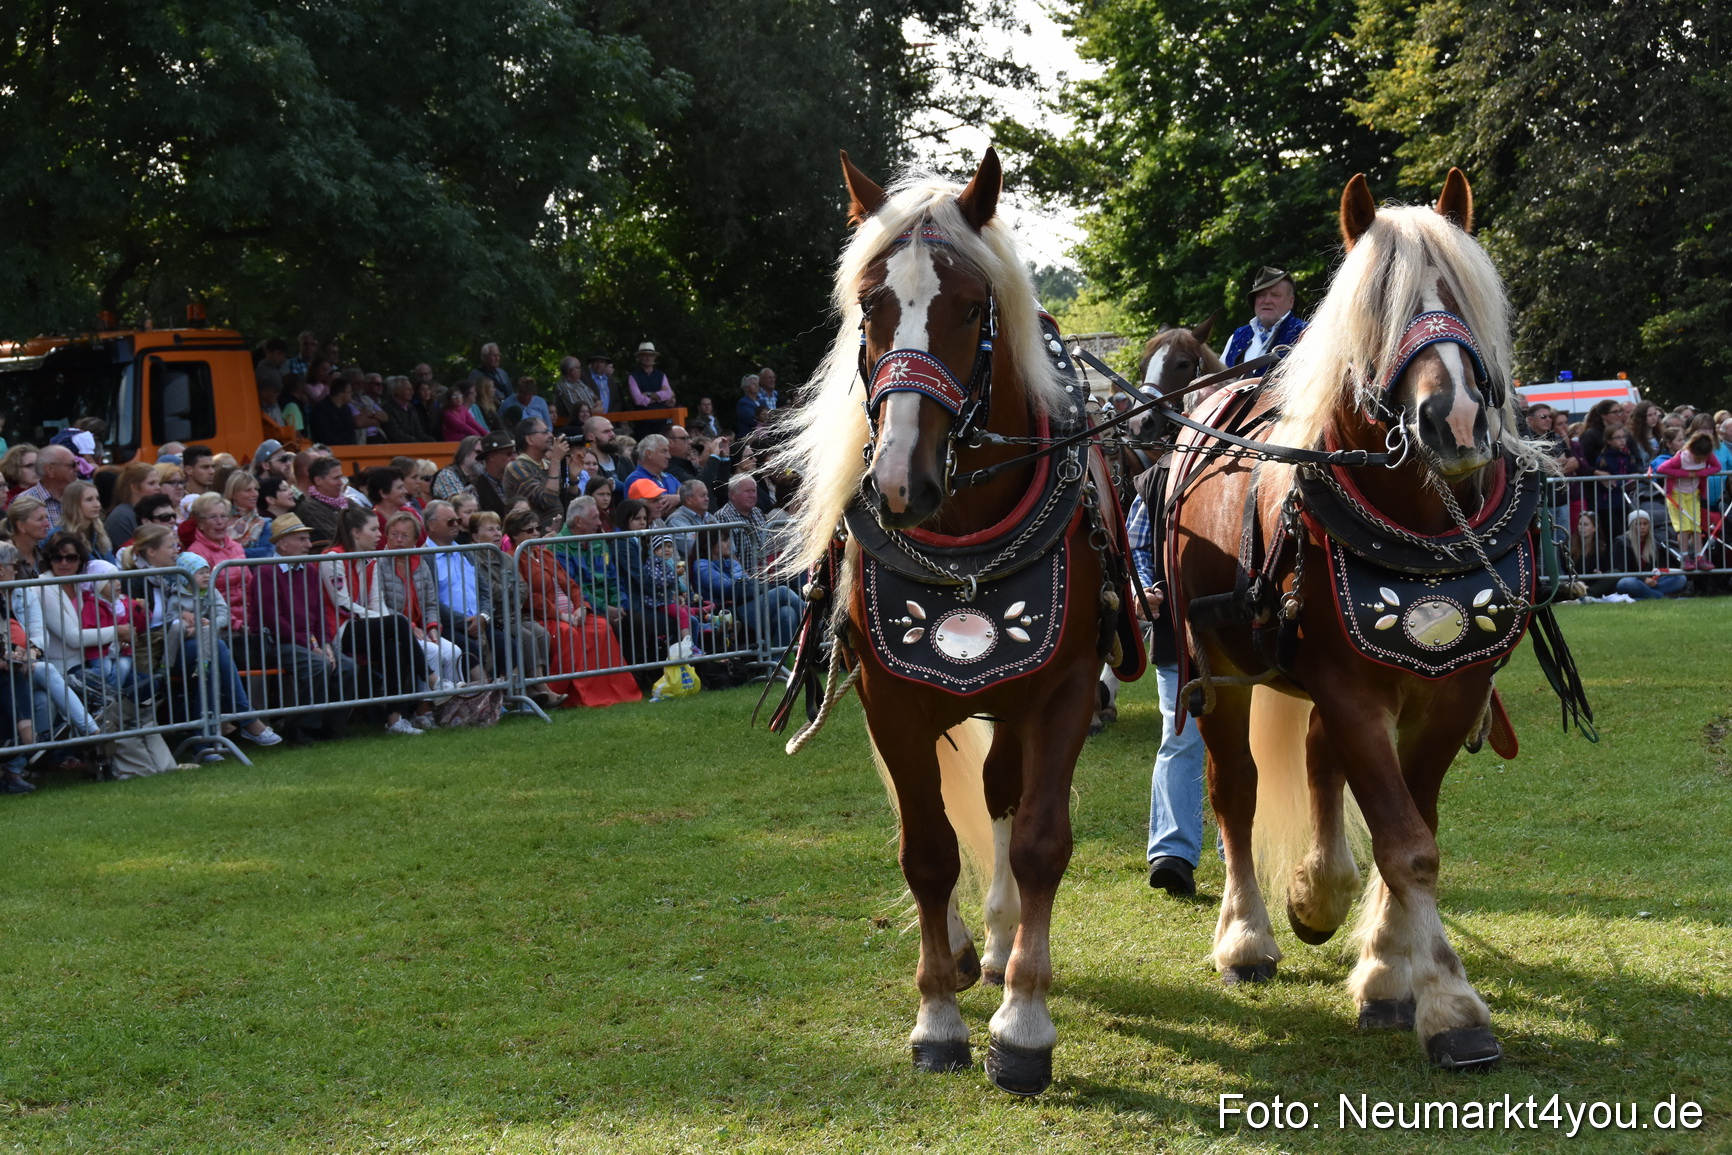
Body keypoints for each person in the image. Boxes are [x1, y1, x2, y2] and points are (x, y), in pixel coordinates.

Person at [124, 527, 282, 750]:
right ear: (151, 552)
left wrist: (195, 623)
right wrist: (178, 620)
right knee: (212, 648)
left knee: (207, 662)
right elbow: (139, 624)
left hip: (185, 642)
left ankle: (205, 743)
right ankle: (246, 719)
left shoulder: (174, 575)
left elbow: (217, 611)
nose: (176, 551)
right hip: (155, 651)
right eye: (170, 546)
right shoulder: (135, 580)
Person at [508, 507, 641, 707]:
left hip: (571, 611)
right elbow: (529, 598)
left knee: (602, 627)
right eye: (529, 531)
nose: (535, 534)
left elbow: (572, 585)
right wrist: (561, 615)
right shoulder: (514, 559)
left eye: (537, 528)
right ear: (515, 535)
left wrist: (581, 607)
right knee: (568, 633)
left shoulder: (545, 554)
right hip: (544, 616)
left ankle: (613, 690)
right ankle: (568, 694)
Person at [321, 507, 429, 735]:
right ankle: (431, 677)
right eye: (374, 529)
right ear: (356, 533)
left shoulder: (371, 560)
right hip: (339, 630)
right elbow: (343, 605)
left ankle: (394, 719)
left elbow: (376, 602)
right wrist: (388, 621)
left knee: (394, 645)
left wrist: (385, 619)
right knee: (398, 623)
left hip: (362, 626)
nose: (380, 535)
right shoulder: (332, 558)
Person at [252, 513, 358, 742]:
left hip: (309, 642)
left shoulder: (309, 570)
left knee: (347, 666)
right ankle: (302, 730)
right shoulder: (265, 572)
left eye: (307, 539)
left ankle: (331, 728)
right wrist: (311, 645)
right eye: (301, 539)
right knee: (317, 665)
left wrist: (326, 643)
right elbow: (273, 620)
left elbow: (320, 612)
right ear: (282, 543)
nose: (309, 545)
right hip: (278, 643)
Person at [380, 512, 468, 703]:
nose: (398, 540)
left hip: (421, 628)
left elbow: (430, 603)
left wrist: (433, 627)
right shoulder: (380, 564)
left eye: (405, 536)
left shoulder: (420, 563)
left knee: (454, 651)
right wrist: (410, 627)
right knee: (433, 651)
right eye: (394, 534)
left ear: (414, 541)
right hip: (397, 630)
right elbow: (381, 606)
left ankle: (454, 707)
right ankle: (424, 710)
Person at [691, 522, 801, 650]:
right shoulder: (701, 565)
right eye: (724, 540)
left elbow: (748, 586)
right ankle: (815, 621)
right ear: (710, 543)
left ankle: (778, 664)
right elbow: (728, 589)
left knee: (787, 612)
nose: (729, 543)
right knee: (782, 592)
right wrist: (746, 584)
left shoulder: (732, 562)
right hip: (728, 614)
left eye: (729, 539)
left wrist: (746, 584)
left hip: (746, 608)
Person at [1654, 431, 1722, 571]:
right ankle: (1685, 557)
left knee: (1696, 526)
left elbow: (1717, 467)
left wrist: (1699, 473)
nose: (1699, 461)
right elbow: (1661, 468)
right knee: (1684, 527)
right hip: (1676, 495)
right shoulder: (1682, 457)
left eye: (1702, 459)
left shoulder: (1708, 455)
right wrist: (1686, 474)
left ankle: (1699, 557)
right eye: (1697, 458)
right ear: (1692, 450)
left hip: (1693, 494)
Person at [1223, 266, 1308, 369]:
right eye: (1261, 295)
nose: (1267, 301)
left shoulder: (1306, 334)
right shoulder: (1237, 337)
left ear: (1291, 301)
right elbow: (1217, 382)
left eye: (1275, 295)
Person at [503, 418, 571, 531]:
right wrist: (555, 461)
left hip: (557, 536)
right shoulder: (517, 467)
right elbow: (547, 501)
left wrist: (573, 479)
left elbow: (567, 501)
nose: (551, 435)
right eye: (544, 432)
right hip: (535, 539)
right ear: (529, 439)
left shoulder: (549, 465)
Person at [1611, 510, 1686, 598]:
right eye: (1638, 524)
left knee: (1680, 578)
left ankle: (1644, 596)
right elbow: (1620, 570)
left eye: (1645, 524)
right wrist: (1644, 579)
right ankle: (1659, 596)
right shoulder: (1622, 542)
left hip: (1651, 581)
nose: (1642, 527)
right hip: (1632, 580)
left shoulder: (1655, 544)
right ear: (1631, 526)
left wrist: (1653, 578)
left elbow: (1659, 567)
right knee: (1626, 582)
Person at [295, 456, 355, 551]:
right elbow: (334, 537)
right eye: (336, 478)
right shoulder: (309, 509)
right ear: (318, 480)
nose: (341, 483)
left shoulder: (349, 502)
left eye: (341, 477)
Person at [57, 480, 115, 564]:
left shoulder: (99, 531)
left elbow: (113, 568)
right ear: (74, 504)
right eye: (89, 500)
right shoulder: (59, 536)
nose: (97, 504)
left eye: (97, 499)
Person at [21, 443, 77, 526]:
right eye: (72, 465)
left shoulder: (81, 496)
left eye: (78, 463)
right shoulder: (24, 502)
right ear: (50, 470)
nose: (78, 468)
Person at [470, 431, 515, 519]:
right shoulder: (475, 488)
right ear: (492, 457)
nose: (514, 458)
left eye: (514, 453)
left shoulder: (516, 482)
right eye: (509, 454)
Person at [381, 376, 432, 443]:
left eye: (412, 389)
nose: (412, 393)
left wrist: (431, 441)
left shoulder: (411, 407)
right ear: (397, 391)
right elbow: (396, 435)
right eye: (408, 389)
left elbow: (419, 432)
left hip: (415, 445)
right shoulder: (388, 408)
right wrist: (419, 444)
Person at [627, 342, 675, 410]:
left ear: (654, 357)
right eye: (644, 355)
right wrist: (659, 398)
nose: (648, 358)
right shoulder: (633, 377)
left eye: (651, 355)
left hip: (662, 416)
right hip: (642, 418)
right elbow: (638, 400)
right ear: (639, 357)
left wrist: (648, 394)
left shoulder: (661, 375)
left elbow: (668, 394)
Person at [433, 436, 482, 502]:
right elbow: (461, 504)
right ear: (465, 452)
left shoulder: (483, 477)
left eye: (485, 454)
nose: (482, 457)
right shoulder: (447, 474)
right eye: (478, 452)